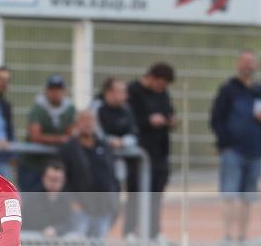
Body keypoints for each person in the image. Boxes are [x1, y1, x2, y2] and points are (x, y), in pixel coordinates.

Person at [209, 50, 261, 241]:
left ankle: (242, 236)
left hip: (255, 152)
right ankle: (227, 236)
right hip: (233, 152)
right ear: (238, 65)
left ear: (256, 66)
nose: (248, 66)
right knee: (230, 194)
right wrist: (226, 143)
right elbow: (216, 118)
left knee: (247, 198)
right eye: (244, 62)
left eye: (251, 62)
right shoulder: (228, 90)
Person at [127, 62, 176, 237]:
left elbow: (169, 112)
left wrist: (170, 120)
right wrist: (149, 121)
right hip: (140, 153)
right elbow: (128, 121)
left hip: (160, 153)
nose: (162, 89)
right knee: (136, 194)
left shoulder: (162, 93)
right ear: (152, 78)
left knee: (156, 195)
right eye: (161, 84)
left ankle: (153, 232)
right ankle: (131, 231)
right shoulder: (133, 91)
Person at [58, 110, 119, 236]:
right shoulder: (69, 148)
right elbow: (63, 179)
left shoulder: (104, 146)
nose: (88, 123)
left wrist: (114, 200)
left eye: (90, 120)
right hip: (80, 208)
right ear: (77, 124)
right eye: (83, 120)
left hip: (103, 208)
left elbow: (112, 175)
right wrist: (71, 202)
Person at [90, 77, 138, 217]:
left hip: (119, 165)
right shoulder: (96, 108)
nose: (125, 95)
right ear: (109, 93)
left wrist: (123, 142)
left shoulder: (126, 109)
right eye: (121, 92)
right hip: (98, 165)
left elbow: (134, 134)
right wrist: (109, 141)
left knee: (114, 205)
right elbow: (95, 134)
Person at [21, 75, 76, 192]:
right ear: (46, 90)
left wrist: (49, 138)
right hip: (34, 163)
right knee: (31, 199)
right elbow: (35, 136)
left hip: (56, 164)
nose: (55, 93)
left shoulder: (70, 109)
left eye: (58, 89)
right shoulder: (38, 108)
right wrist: (60, 139)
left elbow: (70, 135)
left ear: (63, 91)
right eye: (52, 89)